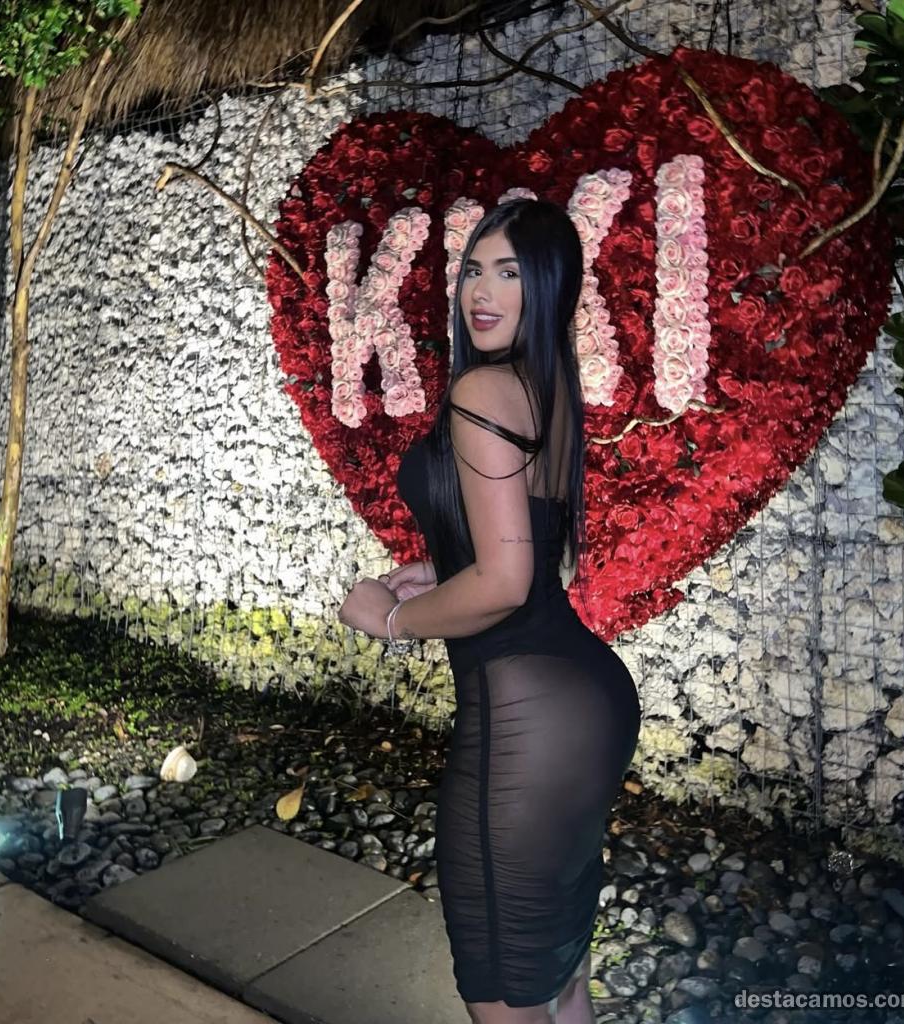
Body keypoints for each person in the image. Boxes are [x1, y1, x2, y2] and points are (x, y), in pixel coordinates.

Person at [338, 198, 641, 1024]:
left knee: (504, 991)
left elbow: (506, 585)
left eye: (510, 273)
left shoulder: (483, 388)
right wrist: (443, 569)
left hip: (525, 713)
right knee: (559, 976)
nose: (482, 290)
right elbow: (528, 552)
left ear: (550, 287)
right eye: (474, 268)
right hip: (583, 703)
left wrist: (390, 622)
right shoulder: (546, 386)